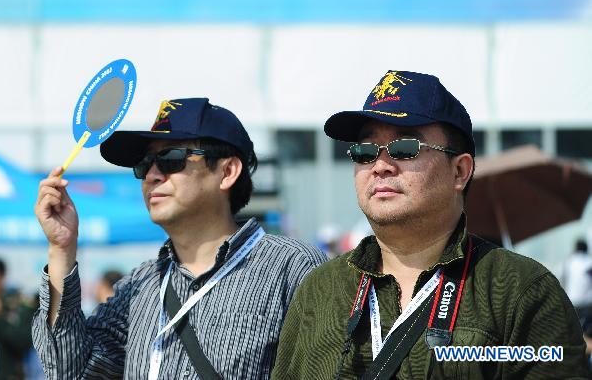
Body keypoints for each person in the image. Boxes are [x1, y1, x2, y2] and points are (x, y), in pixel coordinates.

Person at [271, 70, 589, 379]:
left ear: (460, 171)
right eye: (365, 152)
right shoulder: (319, 290)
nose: (380, 165)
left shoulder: (522, 291)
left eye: (405, 148)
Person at [33, 97, 326, 379]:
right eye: (144, 164)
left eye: (170, 159)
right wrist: (61, 249)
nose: (152, 175)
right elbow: (68, 371)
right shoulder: (142, 284)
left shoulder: (290, 266)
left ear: (227, 172)